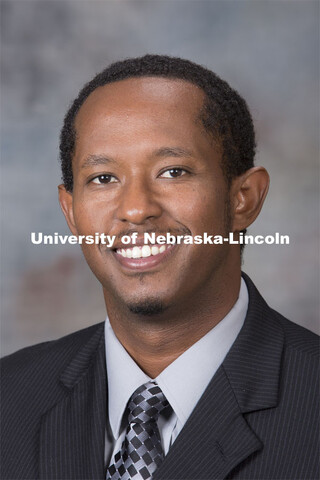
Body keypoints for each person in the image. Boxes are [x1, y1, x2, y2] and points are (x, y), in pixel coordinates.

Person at [1, 55, 318, 480]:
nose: (135, 209)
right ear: (71, 211)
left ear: (244, 198)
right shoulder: (9, 397)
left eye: (173, 171)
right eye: (103, 178)